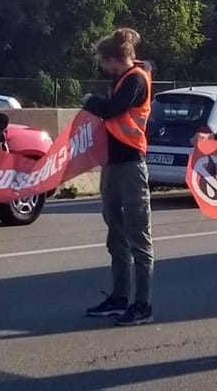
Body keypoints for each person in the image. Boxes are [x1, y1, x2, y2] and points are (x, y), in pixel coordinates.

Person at [79, 27, 155, 326]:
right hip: (113, 163)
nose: (103, 68)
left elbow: (112, 109)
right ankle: (120, 296)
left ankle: (143, 304)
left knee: (138, 236)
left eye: (104, 62)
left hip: (131, 165)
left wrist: (89, 100)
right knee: (116, 233)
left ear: (113, 59)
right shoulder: (123, 77)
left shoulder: (135, 80)